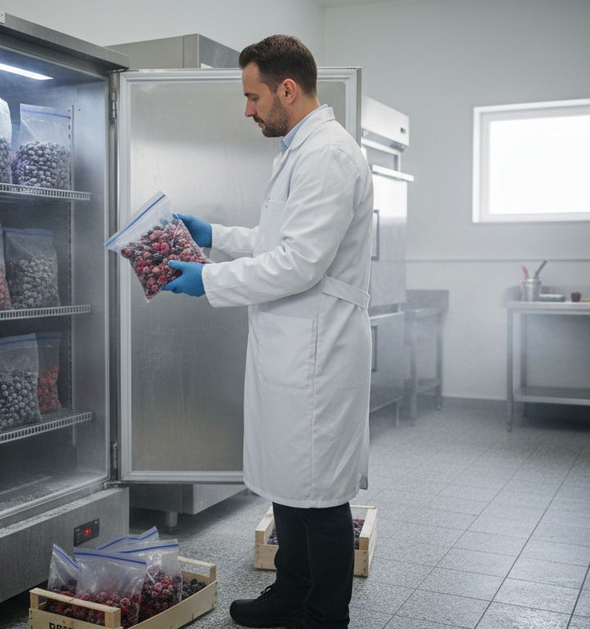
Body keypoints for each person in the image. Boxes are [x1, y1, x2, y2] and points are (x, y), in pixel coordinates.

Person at [162, 34, 374, 629]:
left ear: (287, 88)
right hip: (289, 341)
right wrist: (216, 237)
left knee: (321, 492)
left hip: (318, 346)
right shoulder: (299, 152)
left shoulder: (328, 155)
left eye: (253, 97)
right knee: (289, 477)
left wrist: (210, 282)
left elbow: (300, 262)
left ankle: (325, 615)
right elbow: (276, 241)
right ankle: (290, 591)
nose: (247, 110)